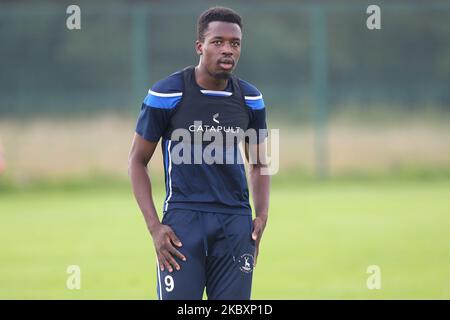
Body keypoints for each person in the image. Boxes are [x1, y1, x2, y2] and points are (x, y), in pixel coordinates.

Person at [128, 6, 270, 300]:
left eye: (235, 43)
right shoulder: (166, 94)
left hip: (235, 222)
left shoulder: (251, 99)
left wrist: (262, 215)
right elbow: (137, 161)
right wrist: (155, 227)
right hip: (182, 223)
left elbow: (259, 164)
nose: (227, 49)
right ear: (199, 46)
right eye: (218, 42)